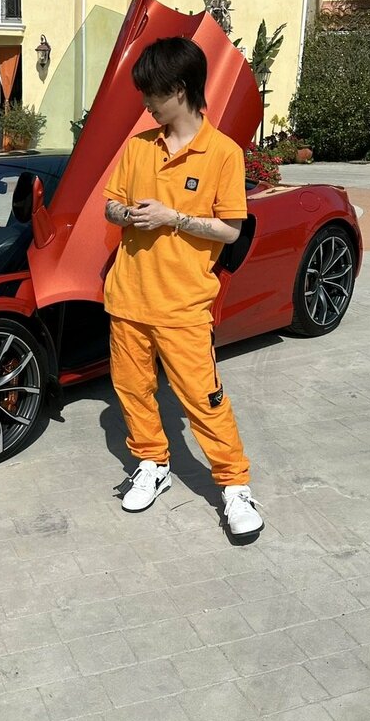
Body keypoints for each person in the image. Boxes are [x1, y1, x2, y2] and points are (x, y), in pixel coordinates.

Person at [103, 36, 263, 537]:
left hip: (183, 305)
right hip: (128, 298)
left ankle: (234, 486)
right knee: (133, 391)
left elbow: (230, 230)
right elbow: (110, 205)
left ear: (181, 89)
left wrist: (172, 217)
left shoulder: (223, 154)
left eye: (152, 94)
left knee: (203, 399)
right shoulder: (138, 147)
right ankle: (152, 463)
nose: (146, 104)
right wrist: (126, 214)